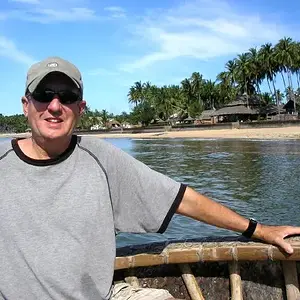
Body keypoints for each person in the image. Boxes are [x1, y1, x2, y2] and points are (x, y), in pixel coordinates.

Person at [0, 56, 299, 300]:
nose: (54, 106)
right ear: (26, 105)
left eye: (66, 97)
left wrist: (259, 230)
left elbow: (183, 199)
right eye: (43, 95)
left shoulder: (102, 159)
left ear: (80, 108)